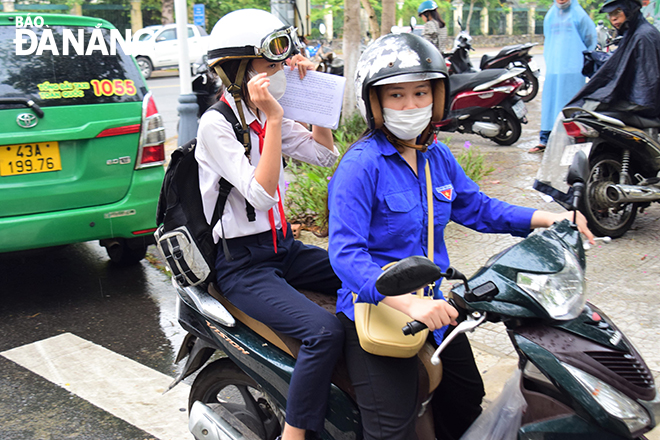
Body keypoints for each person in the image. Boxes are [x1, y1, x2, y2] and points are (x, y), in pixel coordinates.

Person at [327, 32, 595, 440]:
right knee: (391, 427)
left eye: (420, 93)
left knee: (466, 398)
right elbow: (346, 255)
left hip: (436, 310)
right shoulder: (360, 166)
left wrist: (549, 218)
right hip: (377, 312)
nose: (411, 105)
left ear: (437, 97)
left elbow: (480, 209)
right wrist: (405, 304)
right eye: (396, 95)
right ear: (375, 102)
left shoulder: (437, 155)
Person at [198, 9, 343, 440]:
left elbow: (323, 154)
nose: (280, 71)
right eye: (270, 64)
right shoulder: (216, 125)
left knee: (367, 275)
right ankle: (294, 435)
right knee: (322, 332)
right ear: (240, 71)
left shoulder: (265, 117)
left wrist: (314, 93)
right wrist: (277, 119)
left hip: (283, 248)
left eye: (282, 63)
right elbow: (259, 195)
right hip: (242, 265)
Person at [568, 0, 660, 118]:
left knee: (586, 108)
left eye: (618, 12)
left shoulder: (643, 36)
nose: (613, 19)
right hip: (636, 97)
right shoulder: (632, 33)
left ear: (630, 9)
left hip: (642, 102)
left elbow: (646, 84)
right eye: (610, 14)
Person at [528, 0, 596, 154]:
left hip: (574, 69)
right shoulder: (550, 15)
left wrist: (582, 61)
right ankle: (545, 139)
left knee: (570, 103)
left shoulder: (579, 15)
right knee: (550, 104)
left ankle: (572, 139)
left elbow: (590, 40)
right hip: (554, 68)